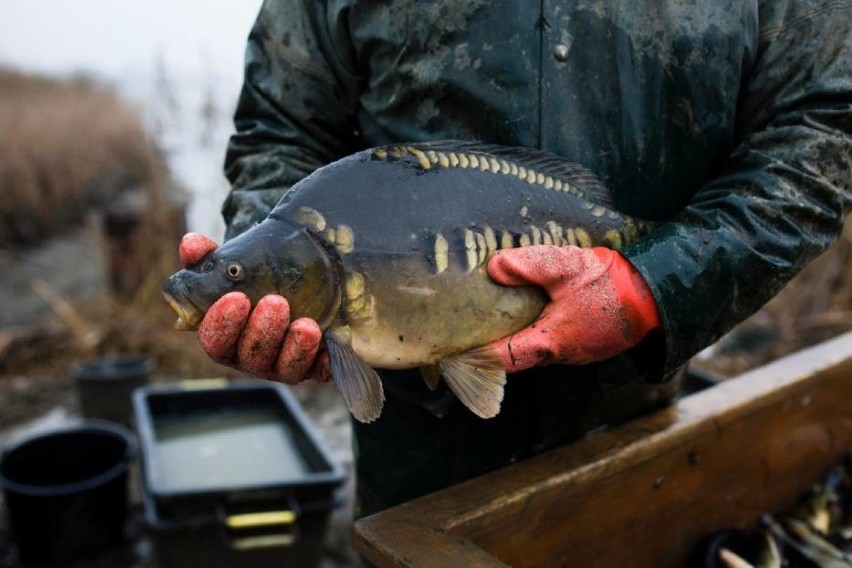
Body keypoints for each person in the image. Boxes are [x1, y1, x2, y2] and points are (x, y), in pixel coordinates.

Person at [179, 1, 851, 517]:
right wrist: (255, 270)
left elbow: (822, 132)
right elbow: (282, 128)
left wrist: (657, 283)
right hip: (419, 452)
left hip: (636, 416)